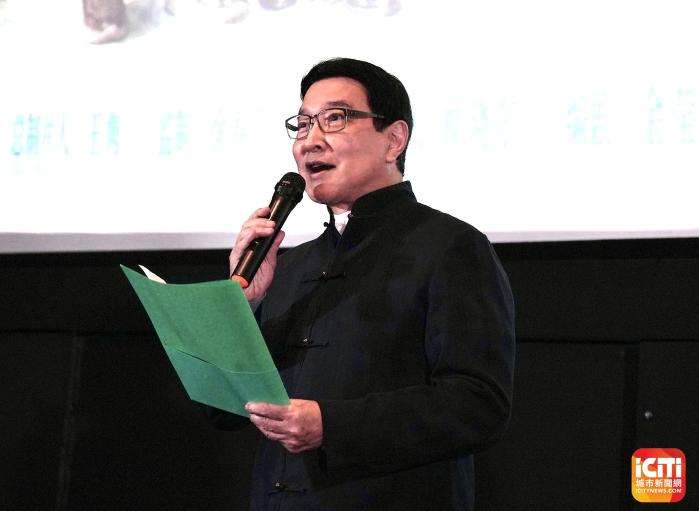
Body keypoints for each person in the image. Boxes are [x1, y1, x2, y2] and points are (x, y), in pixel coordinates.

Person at [208, 57, 515, 511]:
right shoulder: (288, 266)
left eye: (334, 118)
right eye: (303, 124)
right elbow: (220, 410)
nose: (310, 140)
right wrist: (243, 302)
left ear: (394, 139)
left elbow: (478, 405)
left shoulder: (450, 246)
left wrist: (330, 425)